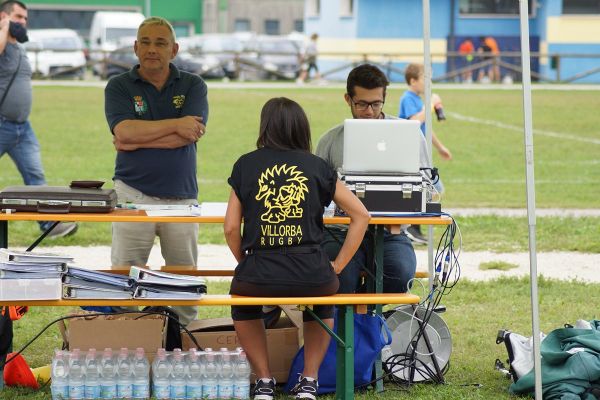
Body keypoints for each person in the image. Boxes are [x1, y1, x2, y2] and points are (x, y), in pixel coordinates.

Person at [224, 97, 369, 400]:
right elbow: (361, 216)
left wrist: (246, 262)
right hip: (312, 272)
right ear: (302, 128)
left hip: (258, 272)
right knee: (324, 300)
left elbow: (229, 227)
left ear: (264, 127)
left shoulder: (245, 164)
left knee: (242, 303)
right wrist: (339, 265)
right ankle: (310, 380)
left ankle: (264, 381)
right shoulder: (318, 166)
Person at [104, 16, 208, 327]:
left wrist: (135, 139)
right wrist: (176, 124)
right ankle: (125, 339)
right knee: (126, 273)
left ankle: (184, 340)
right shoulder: (118, 85)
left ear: (174, 50)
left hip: (182, 196)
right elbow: (124, 131)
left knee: (183, 276)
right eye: (146, 42)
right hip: (132, 194)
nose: (152, 49)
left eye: (160, 43)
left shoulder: (193, 85)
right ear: (135, 48)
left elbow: (190, 134)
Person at [316, 63, 432, 294]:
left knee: (399, 275)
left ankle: (367, 319)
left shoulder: (408, 134)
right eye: (361, 104)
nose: (369, 111)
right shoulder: (330, 140)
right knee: (340, 279)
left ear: (384, 98)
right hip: (341, 231)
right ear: (348, 99)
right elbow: (315, 195)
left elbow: (427, 181)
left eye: (376, 104)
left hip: (392, 232)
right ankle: (351, 324)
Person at [0, 0, 77, 238]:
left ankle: (48, 223)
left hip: (23, 128)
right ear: (4, 16)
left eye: (25, 18)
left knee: (36, 176)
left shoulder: (20, 49)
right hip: (1, 124)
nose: (22, 22)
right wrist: (3, 27)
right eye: (17, 16)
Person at [399, 63, 451, 243]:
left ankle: (414, 227)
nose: (428, 83)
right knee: (432, 188)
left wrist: (440, 147)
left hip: (421, 153)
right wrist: (430, 104)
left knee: (431, 189)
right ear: (413, 81)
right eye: (424, 79)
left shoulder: (418, 100)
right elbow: (414, 122)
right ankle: (412, 227)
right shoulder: (407, 98)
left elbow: (425, 128)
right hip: (411, 152)